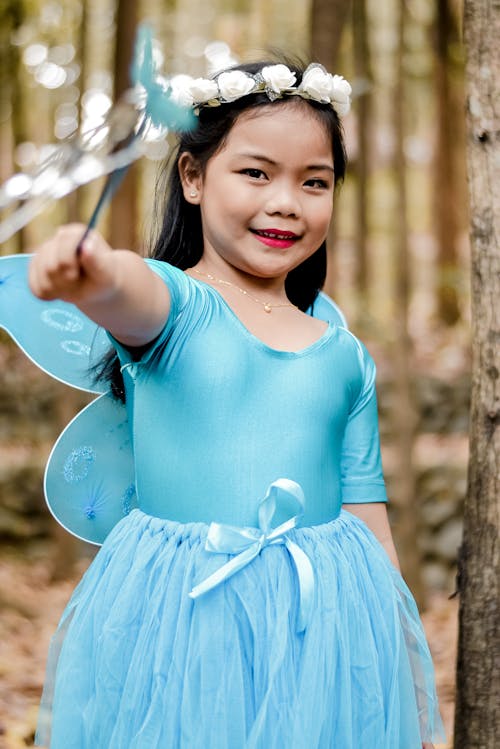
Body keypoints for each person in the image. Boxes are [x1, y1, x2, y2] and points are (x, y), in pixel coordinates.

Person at [27, 59, 445, 748]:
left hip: (323, 629)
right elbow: (125, 290)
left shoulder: (344, 356)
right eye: (256, 172)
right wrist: (91, 270)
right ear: (192, 178)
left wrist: (411, 698)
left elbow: (371, 526)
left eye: (315, 182)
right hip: (186, 616)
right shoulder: (176, 308)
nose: (286, 201)